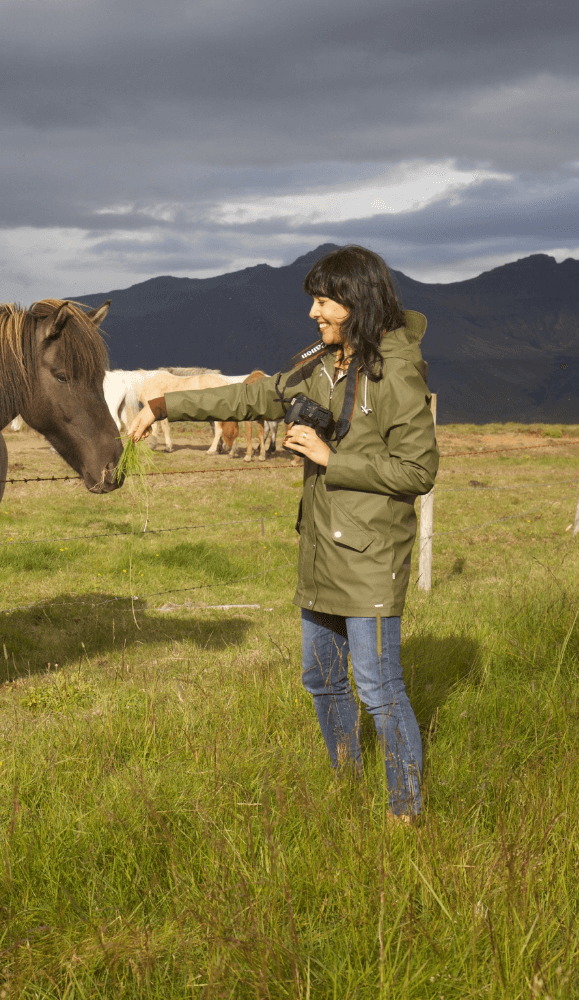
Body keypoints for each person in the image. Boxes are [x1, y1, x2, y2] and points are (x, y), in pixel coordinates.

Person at [127, 245, 438, 824]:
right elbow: (253, 395)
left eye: (324, 302)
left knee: (378, 689)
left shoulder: (394, 371)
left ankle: (406, 812)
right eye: (314, 301)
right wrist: (163, 406)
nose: (313, 313)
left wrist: (330, 457)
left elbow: (419, 471)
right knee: (321, 680)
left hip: (370, 555)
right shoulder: (322, 361)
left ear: (356, 302)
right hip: (321, 550)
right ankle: (347, 784)